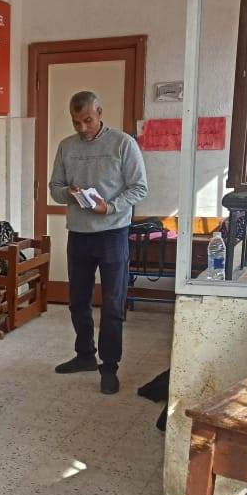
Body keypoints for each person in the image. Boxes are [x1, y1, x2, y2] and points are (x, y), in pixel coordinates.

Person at [49, 90, 149, 395]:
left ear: (100, 113)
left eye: (88, 120)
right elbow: (54, 187)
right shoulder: (66, 146)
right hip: (78, 234)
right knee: (78, 300)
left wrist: (111, 207)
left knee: (113, 303)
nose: (82, 127)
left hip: (113, 233)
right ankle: (85, 356)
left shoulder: (123, 144)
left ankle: (109, 367)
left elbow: (139, 188)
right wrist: (69, 193)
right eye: (76, 122)